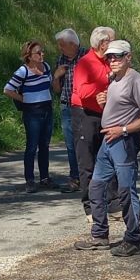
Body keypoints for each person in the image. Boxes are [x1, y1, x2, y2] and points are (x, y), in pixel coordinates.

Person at [73, 40, 140, 257]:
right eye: (109, 57)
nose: (112, 60)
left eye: (117, 56)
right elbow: (117, 109)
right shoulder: (114, 79)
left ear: (129, 56)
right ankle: (100, 235)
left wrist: (124, 130)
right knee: (96, 187)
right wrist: (103, 103)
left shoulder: (134, 79)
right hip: (108, 142)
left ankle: (133, 239)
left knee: (125, 191)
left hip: (123, 142)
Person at [71, 27, 122, 219]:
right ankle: (91, 207)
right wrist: (104, 80)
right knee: (87, 162)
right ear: (103, 44)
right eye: (112, 41)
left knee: (110, 158)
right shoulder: (85, 63)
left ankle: (114, 202)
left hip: (106, 115)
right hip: (85, 115)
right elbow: (82, 92)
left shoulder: (110, 61)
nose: (114, 45)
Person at [6, 40, 58, 193]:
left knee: (45, 145)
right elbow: (8, 89)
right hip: (32, 112)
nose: (42, 55)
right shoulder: (23, 71)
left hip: (47, 109)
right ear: (29, 56)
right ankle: (29, 180)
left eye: (42, 52)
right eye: (38, 53)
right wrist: (25, 99)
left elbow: (48, 85)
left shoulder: (46, 67)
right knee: (31, 146)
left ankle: (44, 178)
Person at [52, 28, 85, 193]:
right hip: (66, 106)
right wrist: (56, 76)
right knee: (71, 144)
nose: (60, 49)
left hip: (84, 106)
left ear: (73, 44)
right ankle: (75, 178)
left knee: (86, 142)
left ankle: (89, 177)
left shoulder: (86, 57)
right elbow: (57, 90)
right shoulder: (60, 60)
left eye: (62, 45)